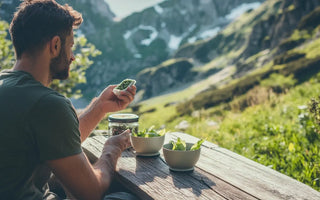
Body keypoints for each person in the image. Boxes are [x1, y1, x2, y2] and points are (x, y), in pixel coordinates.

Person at [0, 0, 137, 199]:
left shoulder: (8, 86)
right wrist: (112, 149)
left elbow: (54, 139)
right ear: (55, 45)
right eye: (70, 46)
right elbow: (91, 192)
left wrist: (99, 107)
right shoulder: (47, 104)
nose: (73, 57)